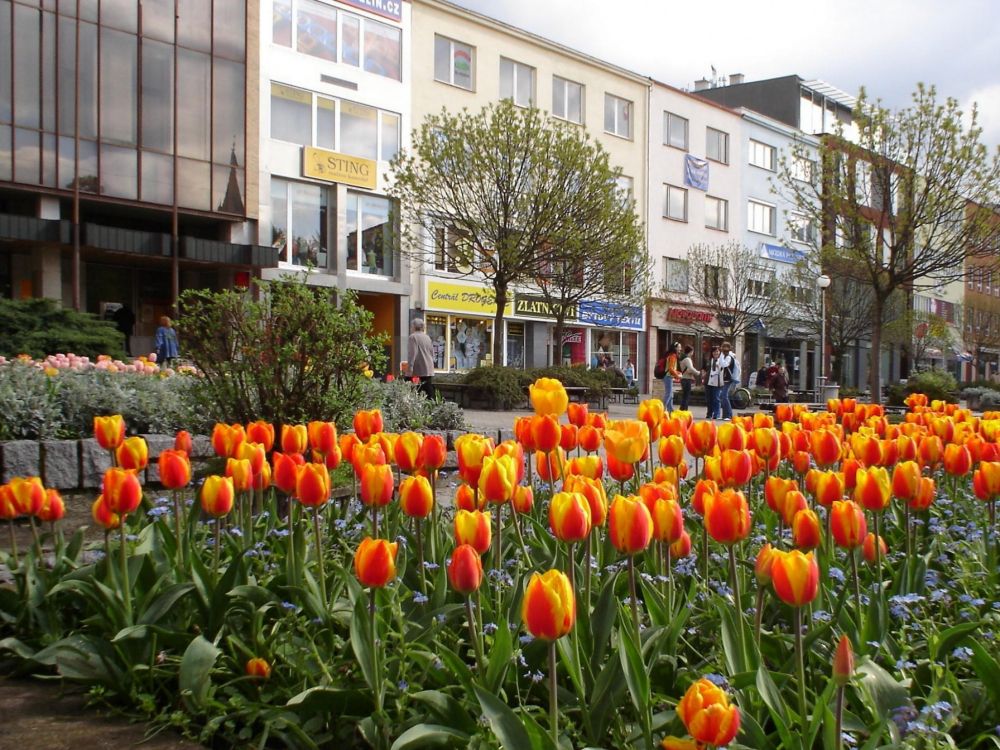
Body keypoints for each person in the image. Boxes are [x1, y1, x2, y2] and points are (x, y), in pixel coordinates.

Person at [406, 317, 435, 399]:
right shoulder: (427, 337)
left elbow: (412, 353)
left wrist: (410, 367)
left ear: (414, 326)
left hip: (418, 367)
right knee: (427, 389)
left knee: (411, 388)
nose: (411, 327)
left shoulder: (413, 337)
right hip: (428, 367)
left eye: (411, 326)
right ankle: (432, 405)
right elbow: (432, 352)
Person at [719, 341, 741, 419]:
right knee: (723, 396)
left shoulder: (729, 357)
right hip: (726, 378)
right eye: (723, 347)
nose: (724, 348)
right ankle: (726, 415)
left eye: (726, 347)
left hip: (728, 379)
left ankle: (729, 415)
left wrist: (721, 354)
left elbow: (723, 364)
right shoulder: (726, 356)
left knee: (724, 396)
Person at [704, 346, 724, 419]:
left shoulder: (722, 361)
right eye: (714, 351)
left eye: (717, 351)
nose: (716, 353)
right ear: (712, 353)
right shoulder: (709, 360)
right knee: (709, 399)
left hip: (717, 382)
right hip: (708, 382)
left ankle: (716, 414)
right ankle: (709, 413)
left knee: (716, 398)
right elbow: (705, 369)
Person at [662, 342, 681, 412]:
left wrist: (678, 373)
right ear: (675, 348)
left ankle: (670, 410)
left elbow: (672, 368)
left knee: (670, 394)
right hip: (668, 377)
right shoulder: (673, 356)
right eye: (679, 347)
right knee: (668, 394)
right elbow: (670, 369)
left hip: (668, 376)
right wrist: (677, 376)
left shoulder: (672, 355)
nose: (680, 349)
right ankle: (662, 409)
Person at [679, 345, 698, 411]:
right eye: (693, 351)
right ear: (691, 351)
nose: (693, 353)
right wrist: (697, 372)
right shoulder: (687, 359)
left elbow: (687, 369)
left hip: (683, 378)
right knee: (686, 396)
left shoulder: (682, 358)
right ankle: (684, 410)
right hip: (687, 379)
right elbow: (691, 368)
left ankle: (682, 409)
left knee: (684, 396)